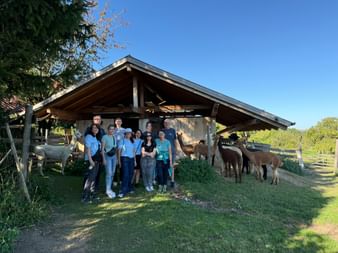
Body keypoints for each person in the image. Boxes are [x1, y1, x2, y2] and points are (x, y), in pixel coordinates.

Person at [84, 115, 106, 193]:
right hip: (91, 156)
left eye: (98, 119)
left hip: (98, 156)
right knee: (89, 176)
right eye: (95, 119)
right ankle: (86, 192)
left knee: (97, 174)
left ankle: (94, 190)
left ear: (101, 120)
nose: (97, 120)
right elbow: (87, 146)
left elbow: (103, 142)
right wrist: (89, 158)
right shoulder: (88, 131)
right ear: (93, 121)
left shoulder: (102, 131)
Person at [82, 123, 102, 203]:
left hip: (96, 161)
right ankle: (85, 197)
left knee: (93, 179)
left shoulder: (95, 138)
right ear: (91, 129)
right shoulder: (89, 137)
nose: (95, 129)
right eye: (94, 128)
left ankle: (93, 195)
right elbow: (88, 149)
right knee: (89, 179)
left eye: (97, 128)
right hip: (91, 161)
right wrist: (90, 161)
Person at [118, 128, 136, 198]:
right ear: (125, 134)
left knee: (131, 174)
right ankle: (123, 190)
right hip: (124, 158)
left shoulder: (132, 141)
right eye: (127, 133)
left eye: (130, 133)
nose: (129, 134)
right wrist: (119, 161)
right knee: (125, 174)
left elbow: (134, 151)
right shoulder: (122, 140)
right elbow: (119, 151)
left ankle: (129, 188)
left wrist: (135, 161)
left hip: (131, 159)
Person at [101, 124, 117, 199]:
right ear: (108, 130)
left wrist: (116, 158)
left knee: (113, 173)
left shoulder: (114, 137)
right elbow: (102, 149)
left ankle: (109, 188)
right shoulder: (104, 137)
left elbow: (115, 148)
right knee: (109, 173)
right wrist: (103, 159)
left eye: (113, 129)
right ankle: (108, 190)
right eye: (110, 129)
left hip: (114, 157)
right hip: (107, 157)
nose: (112, 130)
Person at [162, 119, 177, 187]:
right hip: (165, 152)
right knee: (165, 166)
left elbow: (175, 141)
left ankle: (172, 181)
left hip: (172, 151)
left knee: (172, 166)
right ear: (164, 124)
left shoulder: (173, 130)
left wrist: (176, 150)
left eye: (167, 122)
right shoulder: (162, 131)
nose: (166, 123)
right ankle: (165, 180)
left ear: (170, 123)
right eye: (165, 122)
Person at [113, 117, 125, 186]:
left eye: (120, 121)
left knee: (121, 165)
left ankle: (121, 179)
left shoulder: (124, 130)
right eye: (117, 121)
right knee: (115, 164)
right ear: (115, 122)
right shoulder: (113, 130)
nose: (118, 122)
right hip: (114, 150)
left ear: (121, 122)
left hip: (122, 150)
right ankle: (114, 180)